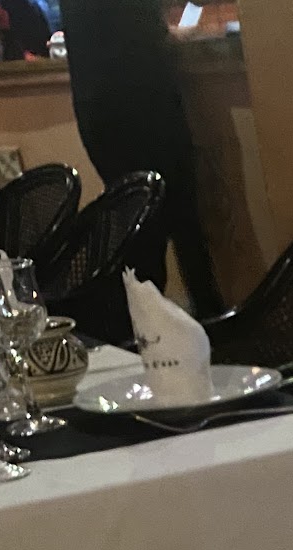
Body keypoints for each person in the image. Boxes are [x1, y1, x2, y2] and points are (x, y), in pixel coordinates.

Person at [57, 0, 223, 316]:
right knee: (181, 224)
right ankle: (207, 325)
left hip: (96, 107)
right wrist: (168, 33)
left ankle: (147, 327)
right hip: (143, 99)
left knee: (138, 226)